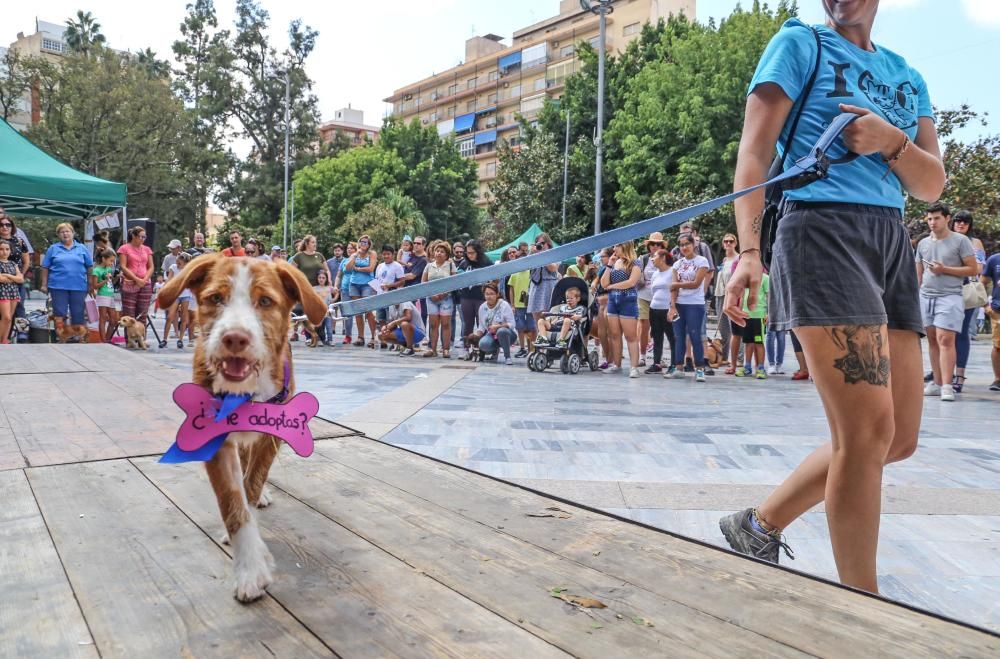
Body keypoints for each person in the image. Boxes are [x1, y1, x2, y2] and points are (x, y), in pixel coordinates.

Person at [721, 1, 945, 594]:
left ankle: (757, 524)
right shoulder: (799, 45)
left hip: (890, 238)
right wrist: (748, 252)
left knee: (897, 439)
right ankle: (862, 609)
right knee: (866, 433)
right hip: (821, 231)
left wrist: (893, 141)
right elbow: (754, 151)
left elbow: (931, 184)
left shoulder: (907, 74)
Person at [916, 203, 978, 402]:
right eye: (930, 219)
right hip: (926, 296)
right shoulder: (923, 243)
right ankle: (937, 381)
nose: (932, 222)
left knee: (945, 340)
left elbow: (973, 269)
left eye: (937, 218)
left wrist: (945, 269)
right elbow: (918, 274)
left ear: (947, 218)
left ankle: (947, 385)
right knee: (932, 340)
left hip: (950, 296)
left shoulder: (960, 241)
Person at [951, 210, 987, 393]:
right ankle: (942, 372)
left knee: (962, 333)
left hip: (965, 292)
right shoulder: (944, 238)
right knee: (943, 334)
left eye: (965, 221)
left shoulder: (975, 243)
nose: (961, 224)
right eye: (958, 220)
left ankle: (960, 374)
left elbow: (978, 268)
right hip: (944, 291)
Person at [667, 234, 711, 382]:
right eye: (681, 245)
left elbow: (696, 283)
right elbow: (673, 289)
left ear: (694, 245)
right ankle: (679, 367)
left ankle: (699, 368)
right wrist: (672, 306)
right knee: (679, 336)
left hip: (695, 304)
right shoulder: (677, 264)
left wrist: (677, 284)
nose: (684, 247)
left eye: (687, 244)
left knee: (695, 335)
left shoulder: (702, 261)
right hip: (679, 304)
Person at [41, 223, 94, 338]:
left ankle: (78, 337)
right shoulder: (53, 249)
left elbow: (89, 267)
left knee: (78, 313)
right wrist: (44, 284)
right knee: (60, 313)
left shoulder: (82, 248)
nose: (65, 234)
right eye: (62, 232)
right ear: (58, 235)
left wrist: (91, 284)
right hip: (58, 286)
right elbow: (45, 267)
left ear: (73, 233)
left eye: (67, 231)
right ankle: (62, 337)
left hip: (79, 286)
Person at [600, 242, 643, 378]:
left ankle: (634, 367)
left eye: (617, 246)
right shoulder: (615, 262)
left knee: (631, 336)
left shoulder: (636, 263)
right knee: (614, 334)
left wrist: (612, 287)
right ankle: (616, 365)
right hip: (614, 302)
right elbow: (603, 283)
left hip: (628, 301)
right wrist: (609, 266)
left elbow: (631, 282)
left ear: (625, 246)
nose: (614, 249)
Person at [637, 232, 667, 369]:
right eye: (653, 244)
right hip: (643, 295)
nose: (655, 246)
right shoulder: (643, 259)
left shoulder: (667, 259)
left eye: (658, 244)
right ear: (648, 246)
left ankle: (658, 358)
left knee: (658, 328)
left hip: (660, 297)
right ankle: (642, 356)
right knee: (644, 325)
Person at [457, 240, 493, 351]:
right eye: (468, 253)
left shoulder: (486, 262)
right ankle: (466, 348)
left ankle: (482, 348)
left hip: (481, 297)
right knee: (467, 323)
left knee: (481, 323)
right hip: (466, 296)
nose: (470, 255)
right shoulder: (464, 263)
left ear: (478, 251)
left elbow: (495, 278)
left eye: (472, 252)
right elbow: (458, 277)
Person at [422, 241, 456, 358]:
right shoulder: (428, 266)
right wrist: (431, 294)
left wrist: (444, 293)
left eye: (442, 252)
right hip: (431, 298)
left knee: (446, 324)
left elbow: (454, 282)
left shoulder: (450, 265)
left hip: (446, 298)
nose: (439, 253)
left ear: (446, 255)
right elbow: (424, 283)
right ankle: (432, 348)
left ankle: (446, 349)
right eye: (437, 251)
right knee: (433, 324)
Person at [118, 225, 155, 326]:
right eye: (141, 237)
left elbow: (151, 267)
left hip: (145, 283)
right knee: (129, 314)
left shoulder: (147, 249)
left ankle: (141, 339)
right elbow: (123, 266)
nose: (143, 239)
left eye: (144, 237)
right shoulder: (124, 248)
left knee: (142, 313)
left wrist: (144, 279)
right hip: (130, 282)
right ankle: (130, 340)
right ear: (134, 236)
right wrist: (136, 279)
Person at [646, 249, 676, 374]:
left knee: (672, 337)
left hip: (667, 309)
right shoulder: (655, 274)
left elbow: (675, 290)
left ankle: (674, 363)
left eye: (655, 256)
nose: (652, 259)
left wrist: (672, 307)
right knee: (657, 337)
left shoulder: (672, 271)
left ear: (663, 257)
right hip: (654, 309)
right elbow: (653, 291)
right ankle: (656, 363)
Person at [470, 282, 517, 364]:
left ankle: (507, 357)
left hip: (508, 334)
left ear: (497, 294)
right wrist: (475, 337)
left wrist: (498, 327)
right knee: (483, 344)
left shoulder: (504, 305)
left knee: (501, 331)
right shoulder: (482, 307)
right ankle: (494, 351)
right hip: (491, 335)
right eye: (487, 294)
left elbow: (512, 324)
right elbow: (481, 327)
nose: (489, 296)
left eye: (492, 294)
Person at [345, 235, 378, 348]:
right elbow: (348, 268)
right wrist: (354, 256)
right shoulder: (355, 254)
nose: (363, 244)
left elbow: (371, 268)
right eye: (361, 242)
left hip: (367, 285)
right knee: (358, 312)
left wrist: (358, 269)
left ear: (369, 245)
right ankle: (360, 337)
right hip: (354, 284)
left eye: (365, 242)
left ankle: (374, 337)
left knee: (368, 311)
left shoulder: (372, 254)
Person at [527, 233, 560, 345]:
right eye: (538, 244)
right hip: (536, 287)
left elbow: (552, 268)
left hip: (549, 287)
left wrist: (541, 255)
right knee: (537, 320)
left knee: (549, 318)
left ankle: (551, 343)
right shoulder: (533, 254)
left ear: (548, 244)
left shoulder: (555, 254)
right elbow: (526, 266)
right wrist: (532, 253)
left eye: (543, 243)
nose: (540, 245)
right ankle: (540, 346)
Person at [0, 212, 29, 328]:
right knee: (4, 313)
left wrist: (20, 276)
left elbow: (26, 261)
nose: (5, 227)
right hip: (1, 281)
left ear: (12, 226)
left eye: (8, 224)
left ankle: (22, 333)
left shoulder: (19, 241)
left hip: (17, 281)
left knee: (20, 307)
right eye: (1, 225)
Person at [535, 285, 587, 350]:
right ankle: (544, 339)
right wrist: (549, 320)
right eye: (567, 298)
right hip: (557, 325)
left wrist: (577, 317)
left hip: (570, 327)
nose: (569, 300)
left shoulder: (580, 308)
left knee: (567, 320)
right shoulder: (563, 307)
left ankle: (561, 340)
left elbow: (581, 316)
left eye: (571, 298)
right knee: (540, 321)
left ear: (578, 299)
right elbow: (558, 317)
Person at [374, 244, 405, 345]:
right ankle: (384, 339)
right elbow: (377, 280)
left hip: (391, 296)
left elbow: (402, 281)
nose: (386, 256)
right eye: (384, 254)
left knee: (391, 319)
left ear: (393, 254)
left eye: (388, 254)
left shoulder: (397, 266)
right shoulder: (379, 266)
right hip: (380, 296)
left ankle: (393, 339)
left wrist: (390, 285)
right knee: (381, 318)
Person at [715, 234, 739, 366]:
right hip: (720, 295)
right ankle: (723, 357)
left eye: (731, 241)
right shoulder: (724, 260)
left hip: (732, 296)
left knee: (734, 328)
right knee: (723, 328)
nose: (728, 243)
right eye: (726, 241)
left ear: (735, 243)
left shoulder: (739, 258)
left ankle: (738, 359)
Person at [163, 252, 195, 349]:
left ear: (185, 263)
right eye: (177, 262)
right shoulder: (173, 267)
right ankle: (164, 339)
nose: (177, 264)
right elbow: (169, 279)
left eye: (179, 263)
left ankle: (180, 339)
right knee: (170, 316)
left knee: (184, 317)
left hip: (186, 294)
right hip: (175, 294)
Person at [508, 255, 535, 358]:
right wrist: (513, 304)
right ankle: (522, 348)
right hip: (519, 305)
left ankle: (532, 348)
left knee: (532, 326)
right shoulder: (514, 273)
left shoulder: (532, 272)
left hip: (530, 304)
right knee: (520, 326)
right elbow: (511, 289)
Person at [89, 248, 119, 343]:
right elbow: (95, 286)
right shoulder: (97, 270)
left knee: (113, 320)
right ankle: (103, 340)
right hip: (102, 296)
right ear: (103, 259)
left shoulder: (108, 269)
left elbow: (110, 283)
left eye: (113, 261)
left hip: (110, 295)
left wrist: (117, 278)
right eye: (111, 261)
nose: (112, 263)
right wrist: (105, 280)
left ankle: (107, 338)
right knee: (103, 318)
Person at [982, 249, 1000, 392]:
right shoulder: (994, 260)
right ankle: (998, 378)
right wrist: (985, 305)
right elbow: (982, 283)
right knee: (998, 346)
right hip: (997, 310)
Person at [0, 240, 25, 343]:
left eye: (7, 249)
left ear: (10, 251)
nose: (4, 252)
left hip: (13, 292)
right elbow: (1, 279)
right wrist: (14, 278)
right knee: (6, 317)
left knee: (10, 318)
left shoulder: (13, 263)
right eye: (1, 249)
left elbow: (21, 279)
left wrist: (8, 275)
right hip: (2, 292)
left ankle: (4, 340)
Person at [401, 236, 428, 328]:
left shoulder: (424, 259)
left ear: (424, 245)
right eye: (414, 243)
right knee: (406, 316)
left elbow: (412, 275)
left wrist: (396, 277)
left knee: (417, 316)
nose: (416, 245)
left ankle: (420, 336)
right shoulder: (410, 256)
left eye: (418, 243)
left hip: (417, 292)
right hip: (406, 290)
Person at [335, 242, 357, 345]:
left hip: (357, 289)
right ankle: (348, 335)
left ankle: (364, 336)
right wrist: (336, 286)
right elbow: (339, 276)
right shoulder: (343, 261)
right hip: (345, 290)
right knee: (346, 313)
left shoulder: (359, 260)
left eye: (352, 248)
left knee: (359, 313)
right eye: (348, 248)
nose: (349, 250)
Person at [312, 269, 335, 346]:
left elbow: (330, 301)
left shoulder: (328, 288)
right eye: (320, 277)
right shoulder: (314, 288)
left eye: (323, 278)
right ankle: (318, 339)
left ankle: (330, 339)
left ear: (326, 279)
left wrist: (337, 293)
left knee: (329, 326)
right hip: (317, 312)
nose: (321, 279)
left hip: (327, 311)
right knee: (318, 326)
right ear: (317, 278)